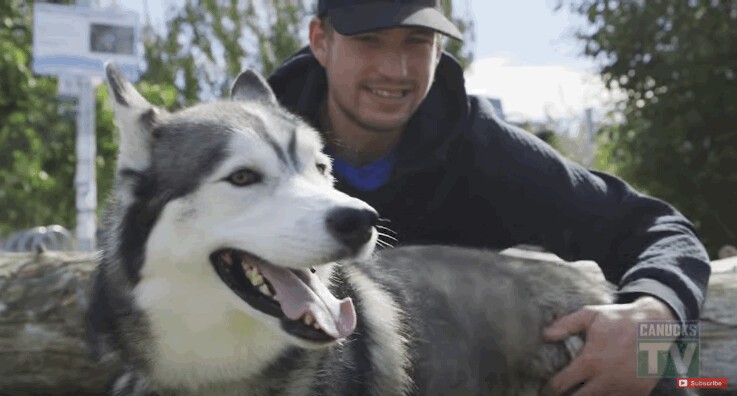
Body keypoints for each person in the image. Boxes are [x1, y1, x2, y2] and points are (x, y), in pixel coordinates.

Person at [266, 0, 711, 394]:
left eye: (417, 41)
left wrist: (653, 319)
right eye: (369, 40)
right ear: (320, 41)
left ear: (439, 47)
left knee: (668, 365)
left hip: (476, 371)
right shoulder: (245, 155)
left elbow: (658, 228)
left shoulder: (481, 146)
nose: (395, 69)